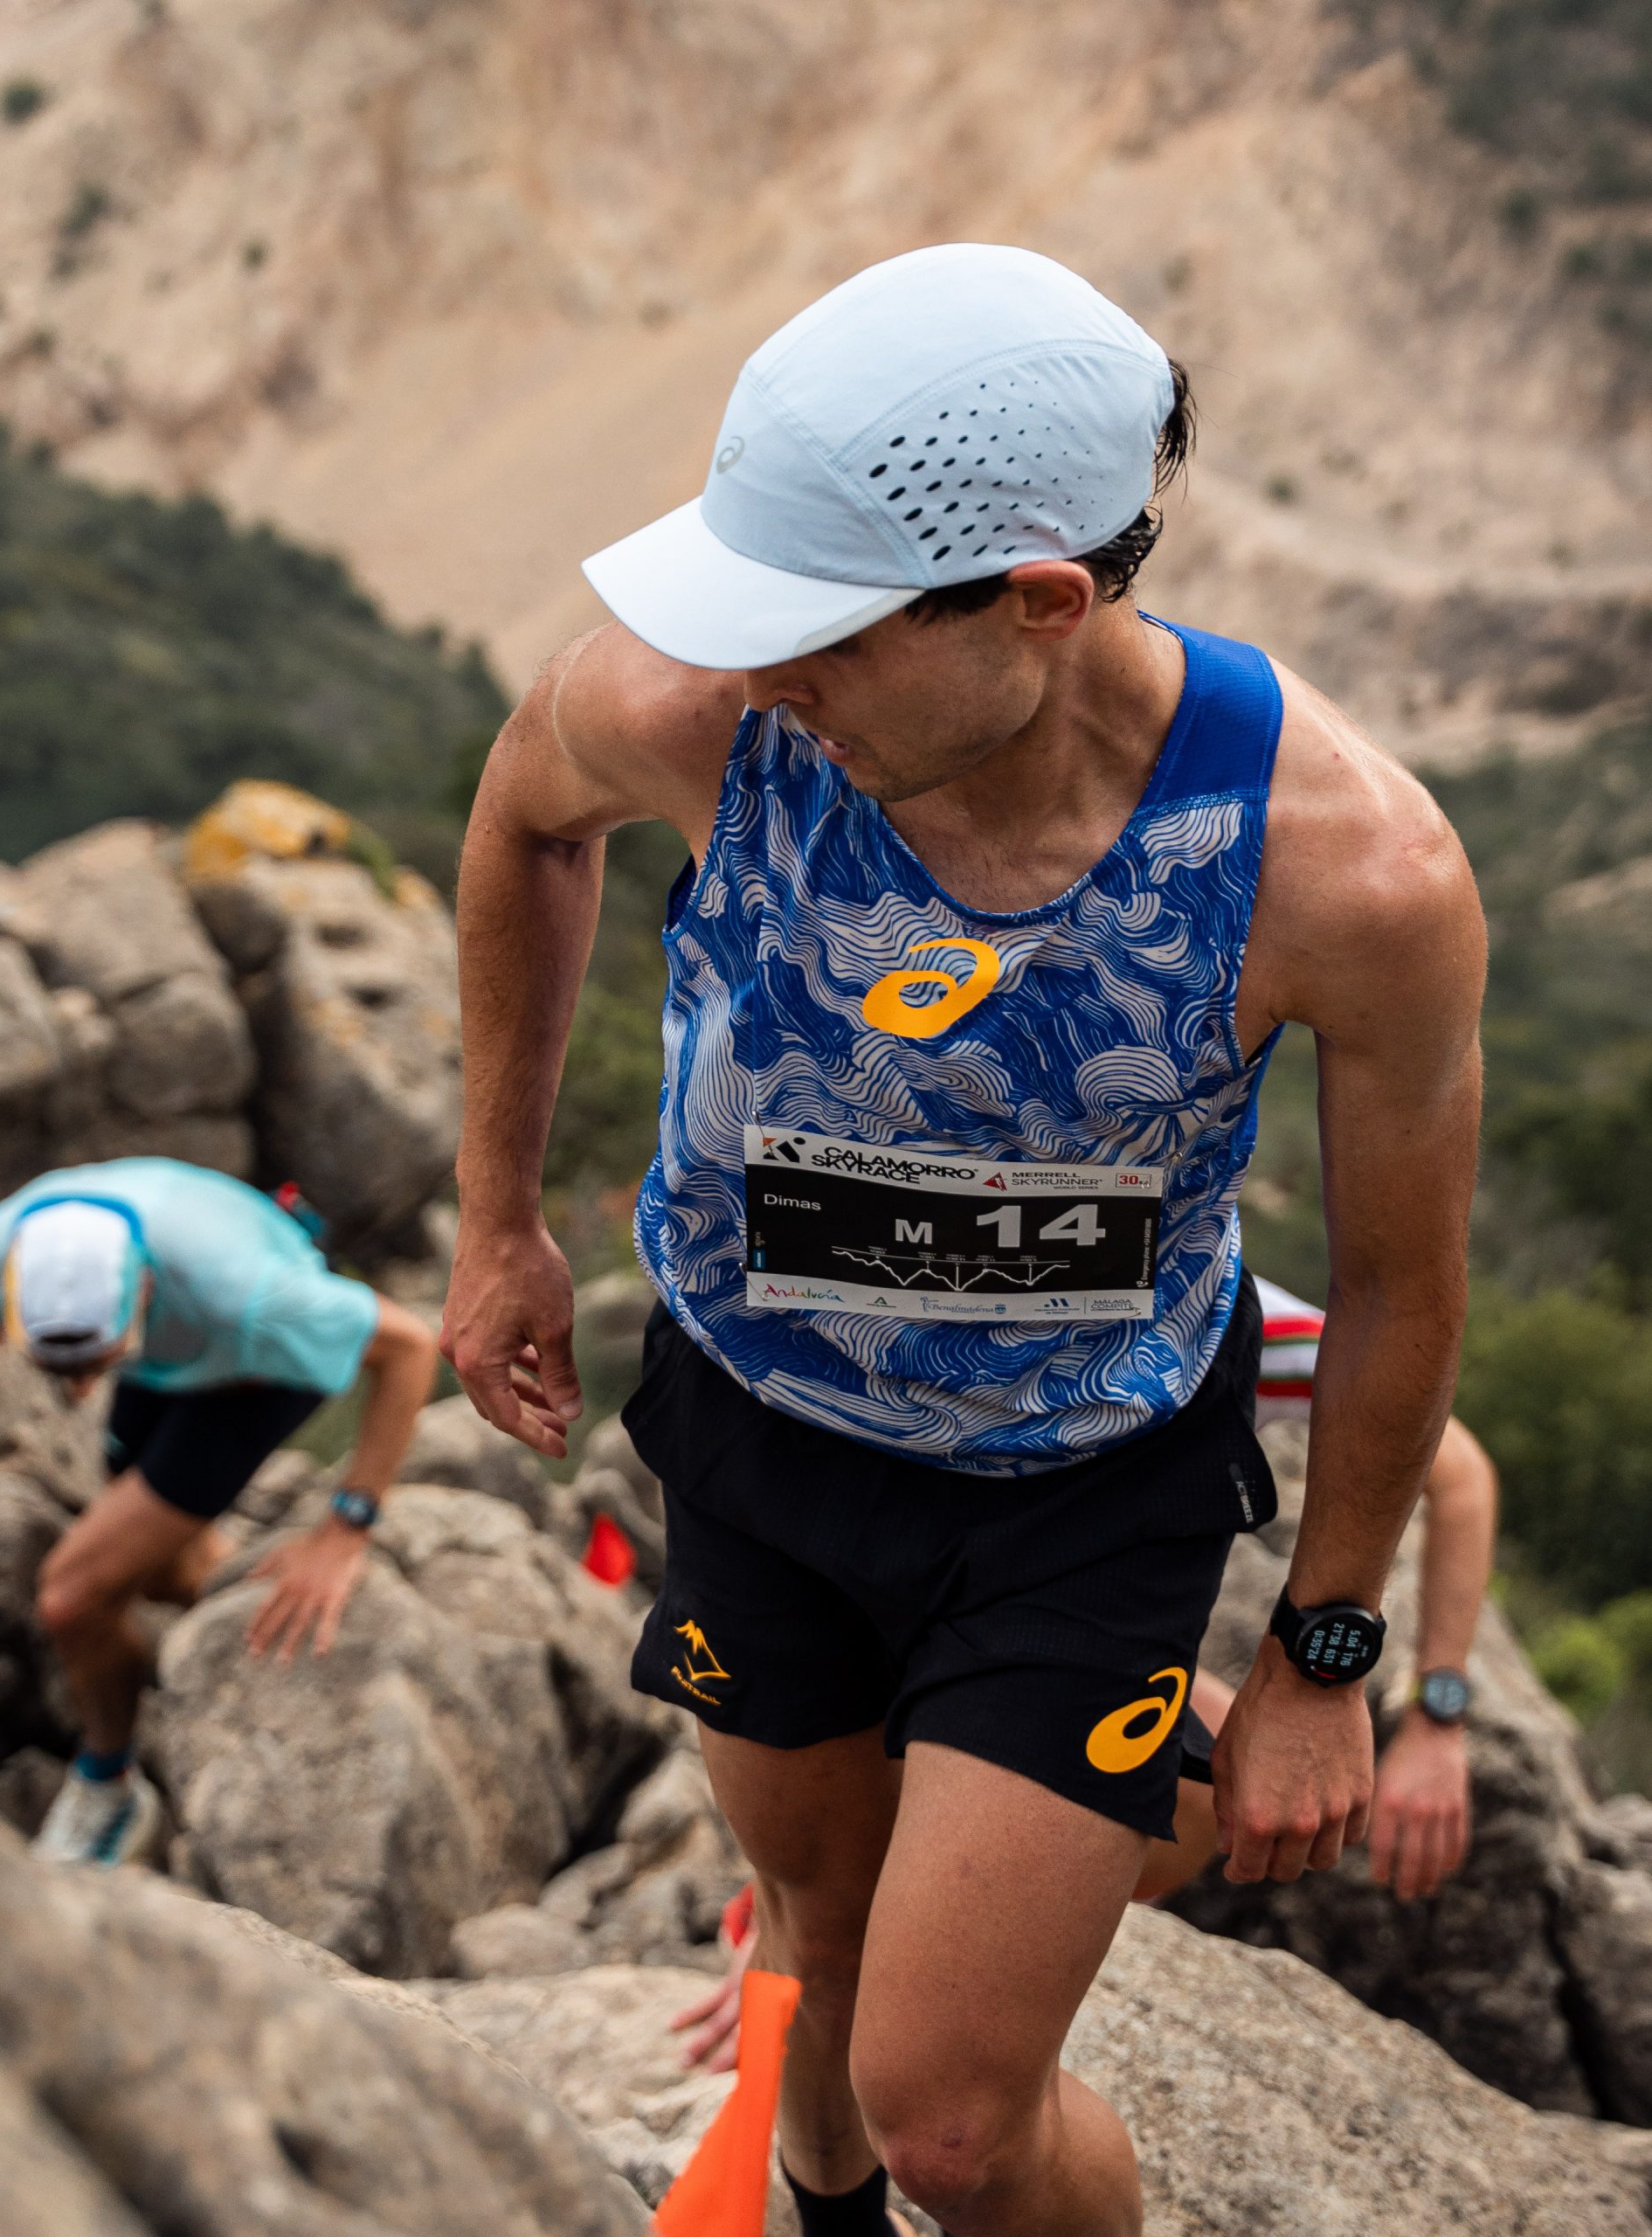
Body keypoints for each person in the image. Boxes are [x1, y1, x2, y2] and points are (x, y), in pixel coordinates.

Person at [441, 245, 1485, 2237]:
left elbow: (1398, 1284)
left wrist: (1326, 1649)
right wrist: (496, 1219)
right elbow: (525, 815)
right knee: (818, 1925)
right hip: (754, 1425)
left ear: (1038, 603)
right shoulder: (698, 710)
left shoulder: (1341, 871)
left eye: (817, 638)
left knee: (948, 2117)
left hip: (1078, 1486)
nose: (765, 679)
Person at [674, 1272, 1500, 2074]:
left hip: (1048, 1633)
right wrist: (801, 1916)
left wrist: (1436, 1716)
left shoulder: (1194, 1305)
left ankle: (998, 1944)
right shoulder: (880, 1317)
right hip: (864, 1586)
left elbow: (1458, 1473)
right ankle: (853, 1928)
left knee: (1202, 1769)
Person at [0, 1157, 438, 1867]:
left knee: (72, 1599)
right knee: (158, 1571)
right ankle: (209, 1628)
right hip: (167, 1351)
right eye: (56, 1367)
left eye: (95, 1360)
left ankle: (108, 1785)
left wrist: (344, 1531)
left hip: (254, 1371)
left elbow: (412, 1348)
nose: (80, 1388)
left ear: (142, 1289)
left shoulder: (258, 1302)